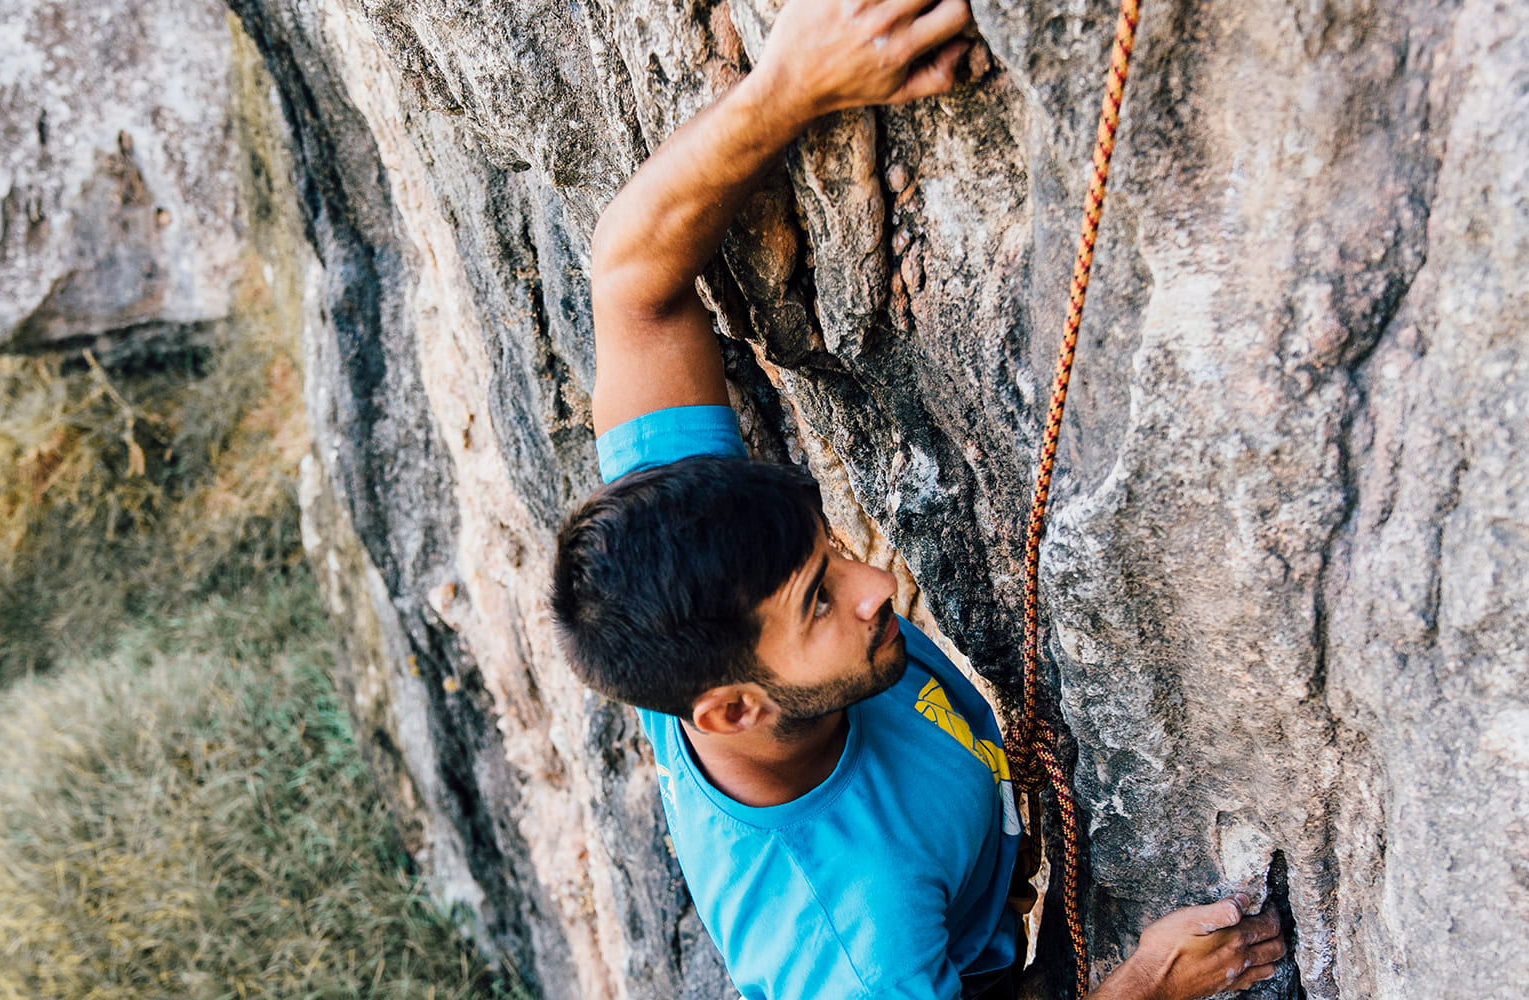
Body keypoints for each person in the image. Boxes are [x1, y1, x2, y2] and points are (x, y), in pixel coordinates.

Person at [548, 1, 1288, 997]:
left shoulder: (691, 580)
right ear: (733, 708)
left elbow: (634, 277)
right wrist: (1141, 987)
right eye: (819, 599)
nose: (874, 583)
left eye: (828, 552)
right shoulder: (854, 934)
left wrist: (789, 84)